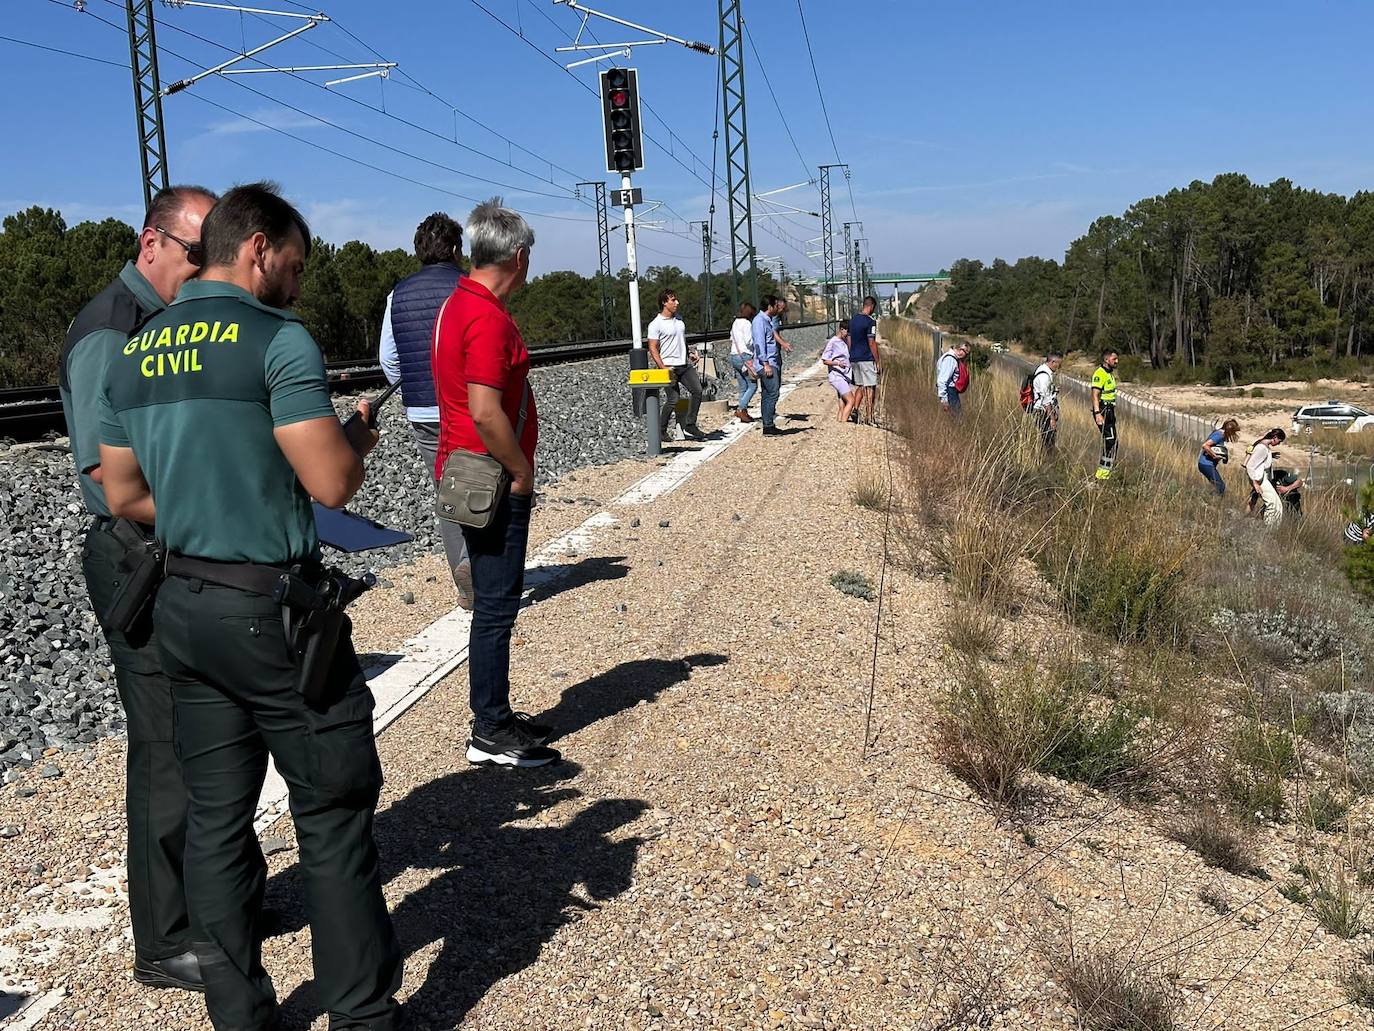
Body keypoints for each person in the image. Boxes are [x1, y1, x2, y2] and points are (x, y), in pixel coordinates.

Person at [97, 182, 402, 1030]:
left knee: (215, 822)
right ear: (258, 246)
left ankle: (240, 1014)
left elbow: (124, 491)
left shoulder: (140, 348)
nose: (299, 285)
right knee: (332, 816)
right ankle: (361, 1015)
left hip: (183, 609)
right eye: (295, 266)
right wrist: (357, 438)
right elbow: (331, 481)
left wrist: (204, 501)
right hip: (275, 616)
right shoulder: (278, 340)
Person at [58, 184, 217, 994]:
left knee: (201, 731)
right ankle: (163, 939)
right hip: (136, 554)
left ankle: (207, 903)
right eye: (198, 253)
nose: (206, 269)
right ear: (152, 242)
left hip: (174, 546)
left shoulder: (166, 324)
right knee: (163, 746)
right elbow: (108, 478)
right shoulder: (110, 334)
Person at [434, 198, 560, 769]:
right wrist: (521, 470)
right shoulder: (486, 318)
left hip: (463, 470)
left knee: (492, 600)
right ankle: (488, 728)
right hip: (490, 480)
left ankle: (496, 713)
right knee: (496, 604)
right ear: (518, 256)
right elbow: (486, 411)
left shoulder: (456, 305)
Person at [379, 212, 473, 607]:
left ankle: (463, 570)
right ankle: (483, 565)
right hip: (467, 407)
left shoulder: (397, 294)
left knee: (447, 491)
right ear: (454, 249)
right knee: (482, 483)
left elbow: (388, 360)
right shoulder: (470, 288)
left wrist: (418, 383)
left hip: (421, 412)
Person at [646, 289, 705, 442]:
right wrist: (662, 367)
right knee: (674, 398)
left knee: (697, 391)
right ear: (664, 303)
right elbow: (653, 347)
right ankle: (661, 430)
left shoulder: (679, 319)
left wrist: (690, 352)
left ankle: (690, 424)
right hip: (669, 367)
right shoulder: (655, 324)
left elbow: (682, 340)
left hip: (684, 365)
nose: (677, 303)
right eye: (673, 300)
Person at [751, 295, 786, 435]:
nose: (778, 308)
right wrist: (765, 364)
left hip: (770, 362)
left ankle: (768, 425)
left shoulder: (766, 320)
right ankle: (768, 424)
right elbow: (759, 343)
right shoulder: (760, 321)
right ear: (770, 307)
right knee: (773, 393)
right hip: (767, 364)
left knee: (767, 394)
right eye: (776, 305)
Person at [1245, 428, 1289, 527]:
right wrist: (1255, 484)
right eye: (1279, 441)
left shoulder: (1264, 446)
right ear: (1275, 437)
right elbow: (1250, 466)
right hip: (1258, 480)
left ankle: (1271, 526)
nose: (1279, 444)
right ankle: (1270, 529)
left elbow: (1260, 459)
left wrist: (1270, 455)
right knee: (1273, 505)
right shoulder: (1262, 448)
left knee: (1276, 504)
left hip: (1260, 479)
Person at [847, 296, 880, 424]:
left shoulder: (852, 321)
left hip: (854, 358)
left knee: (860, 385)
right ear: (871, 306)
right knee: (870, 386)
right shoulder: (870, 322)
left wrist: (851, 354)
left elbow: (849, 340)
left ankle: (855, 409)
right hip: (866, 357)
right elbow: (871, 342)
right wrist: (877, 361)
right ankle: (869, 416)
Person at [1091, 349, 1120, 480]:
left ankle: (1106, 471)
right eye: (1114, 359)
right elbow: (1095, 394)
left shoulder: (1110, 374)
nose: (1117, 361)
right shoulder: (1100, 374)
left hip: (1110, 411)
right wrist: (1098, 413)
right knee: (1111, 442)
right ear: (1107, 360)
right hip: (1103, 411)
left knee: (1113, 442)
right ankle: (1102, 475)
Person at [728, 301, 758, 422]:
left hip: (734, 355)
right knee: (753, 385)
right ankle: (741, 409)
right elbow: (749, 341)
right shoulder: (746, 324)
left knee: (743, 386)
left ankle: (744, 413)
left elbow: (731, 337)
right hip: (745, 356)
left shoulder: (735, 323)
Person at [821, 323, 856, 422]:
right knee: (851, 400)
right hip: (837, 376)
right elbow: (824, 360)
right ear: (841, 329)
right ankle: (844, 423)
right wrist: (837, 363)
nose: (847, 333)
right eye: (846, 331)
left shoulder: (844, 341)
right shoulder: (833, 342)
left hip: (844, 375)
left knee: (843, 402)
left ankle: (839, 422)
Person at [1199, 418, 1240, 495]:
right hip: (1206, 464)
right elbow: (1205, 445)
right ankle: (1212, 501)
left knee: (1217, 486)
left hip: (1207, 464)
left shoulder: (1219, 434)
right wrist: (1214, 456)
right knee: (1220, 486)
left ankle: (1209, 498)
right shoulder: (1219, 435)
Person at [1031, 352, 1061, 451]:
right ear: (1052, 362)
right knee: (1048, 439)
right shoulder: (1044, 376)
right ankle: (1047, 459)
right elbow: (1046, 400)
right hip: (1043, 411)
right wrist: (1052, 418)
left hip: (1044, 410)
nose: (1059, 367)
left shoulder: (1043, 370)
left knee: (1046, 438)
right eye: (1058, 364)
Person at [935, 339, 970, 415]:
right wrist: (944, 400)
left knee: (955, 418)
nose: (965, 356)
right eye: (966, 353)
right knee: (957, 420)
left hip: (950, 391)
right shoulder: (950, 360)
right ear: (961, 350)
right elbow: (942, 380)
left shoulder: (950, 358)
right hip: (949, 392)